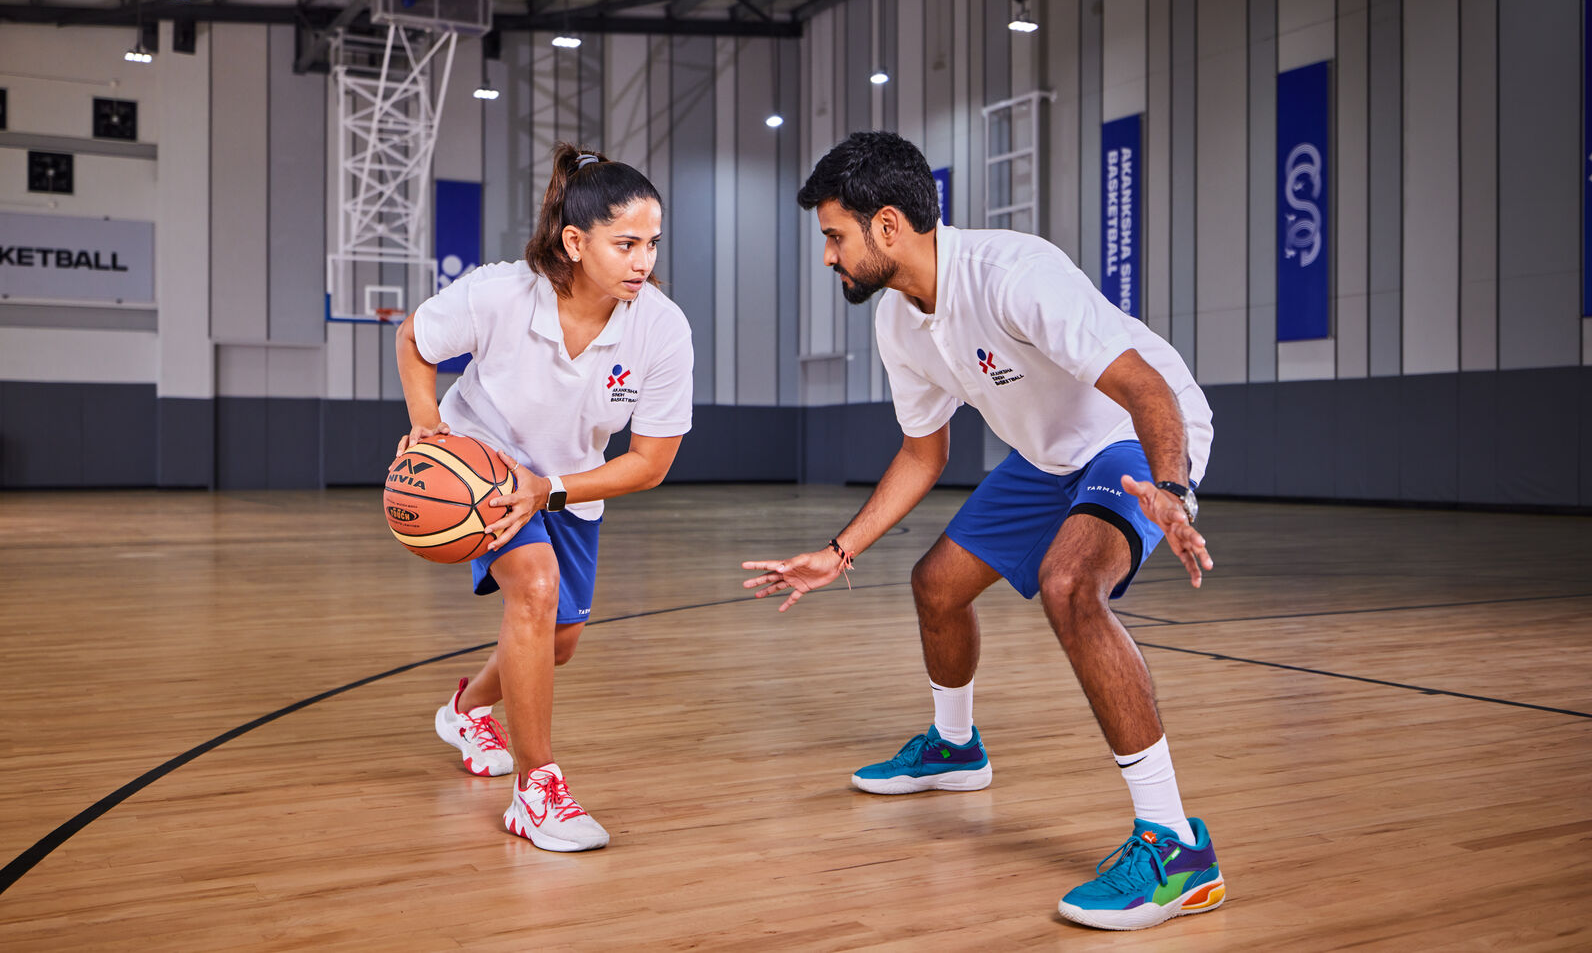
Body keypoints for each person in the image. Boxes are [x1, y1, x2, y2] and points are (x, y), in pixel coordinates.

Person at [742, 131, 1224, 930]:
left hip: (1134, 435)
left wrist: (1170, 487)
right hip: (1048, 454)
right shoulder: (900, 323)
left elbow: (1145, 385)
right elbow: (924, 451)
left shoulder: (1014, 275)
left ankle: (1176, 845)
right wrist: (838, 552)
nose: (828, 256)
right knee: (936, 585)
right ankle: (956, 746)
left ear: (887, 225)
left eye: (834, 235)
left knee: (1072, 586)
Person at [397, 142, 693, 852]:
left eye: (651, 243)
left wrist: (549, 490)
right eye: (625, 243)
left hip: (566, 486)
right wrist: (429, 428)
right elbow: (414, 338)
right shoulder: (502, 291)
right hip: (484, 471)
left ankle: (466, 709)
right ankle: (537, 790)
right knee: (533, 589)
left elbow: (649, 464)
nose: (643, 260)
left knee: (556, 644)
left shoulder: (663, 329)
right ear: (575, 240)